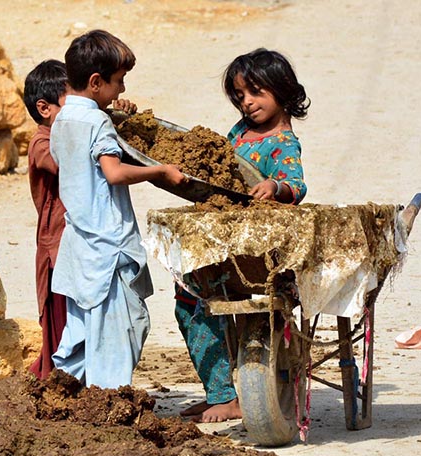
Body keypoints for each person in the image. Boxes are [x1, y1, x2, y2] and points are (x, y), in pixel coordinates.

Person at [176, 48, 310, 422]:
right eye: (240, 96)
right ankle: (218, 389)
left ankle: (228, 397)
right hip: (223, 241)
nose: (247, 103)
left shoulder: (283, 142)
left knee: (208, 296)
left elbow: (296, 186)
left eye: (255, 93)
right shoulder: (238, 132)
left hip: (256, 252)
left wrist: (275, 187)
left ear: (281, 91)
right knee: (188, 300)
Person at [50, 29, 187, 389]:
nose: (123, 90)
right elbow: (113, 172)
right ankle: (108, 406)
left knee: (84, 331)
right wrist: (159, 170)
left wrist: (111, 115)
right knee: (119, 331)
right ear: (96, 82)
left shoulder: (61, 120)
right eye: (119, 81)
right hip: (108, 247)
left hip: (80, 245)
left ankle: (67, 399)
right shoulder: (97, 122)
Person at [22, 59, 69, 380]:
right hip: (57, 249)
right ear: (45, 108)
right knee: (60, 327)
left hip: (75, 246)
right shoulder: (42, 142)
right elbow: (63, 163)